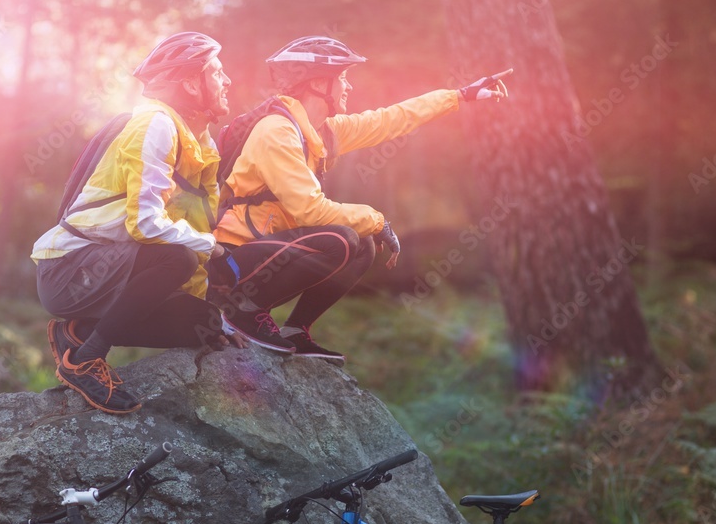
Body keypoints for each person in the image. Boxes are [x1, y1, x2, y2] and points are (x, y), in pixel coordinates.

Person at [212, 35, 511, 362]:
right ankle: (245, 310)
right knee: (340, 240)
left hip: (269, 248)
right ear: (317, 84)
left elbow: (391, 120)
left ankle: (296, 329)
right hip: (234, 255)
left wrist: (459, 96)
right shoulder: (276, 131)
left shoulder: (322, 131)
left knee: (363, 245)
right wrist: (377, 219)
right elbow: (310, 210)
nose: (347, 87)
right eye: (341, 79)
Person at [31, 31, 242, 414]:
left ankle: (75, 334)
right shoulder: (155, 125)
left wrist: (214, 319)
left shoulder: (197, 141)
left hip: (107, 268)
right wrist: (211, 248)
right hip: (71, 269)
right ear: (192, 83)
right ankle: (85, 360)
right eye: (218, 72)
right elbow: (145, 226)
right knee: (176, 258)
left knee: (203, 327)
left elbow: (189, 226)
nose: (227, 81)